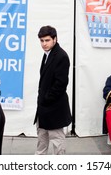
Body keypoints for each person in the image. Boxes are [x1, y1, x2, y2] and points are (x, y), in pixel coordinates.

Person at [33, 25, 72, 155]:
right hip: (43, 109)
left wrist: (46, 99)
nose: (44, 44)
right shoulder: (47, 54)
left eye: (47, 40)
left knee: (57, 145)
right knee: (41, 142)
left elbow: (61, 84)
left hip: (55, 108)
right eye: (42, 41)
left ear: (55, 39)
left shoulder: (61, 56)